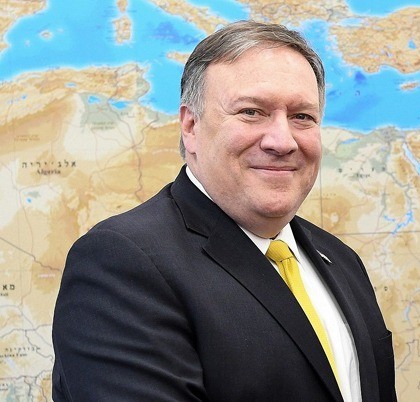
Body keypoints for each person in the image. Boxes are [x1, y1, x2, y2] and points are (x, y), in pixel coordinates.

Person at [52, 20, 396, 401]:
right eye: (252, 112)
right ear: (190, 126)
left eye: (302, 116)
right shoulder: (121, 265)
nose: (282, 141)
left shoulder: (342, 261)